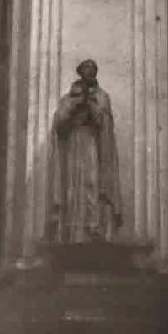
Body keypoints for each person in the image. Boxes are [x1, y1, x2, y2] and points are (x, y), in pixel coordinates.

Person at [48, 59, 123, 244]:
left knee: (92, 182)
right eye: (86, 69)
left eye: (93, 70)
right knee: (73, 187)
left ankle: (94, 227)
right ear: (80, 72)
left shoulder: (102, 96)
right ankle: (72, 232)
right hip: (73, 144)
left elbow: (104, 122)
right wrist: (74, 107)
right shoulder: (68, 98)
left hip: (92, 143)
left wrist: (91, 106)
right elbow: (59, 123)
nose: (90, 73)